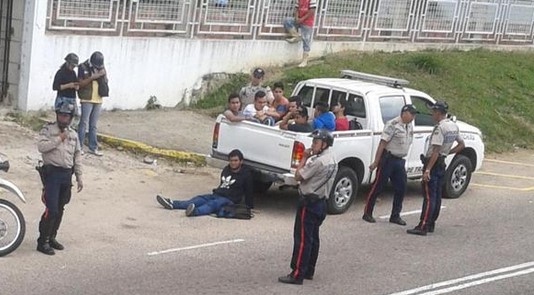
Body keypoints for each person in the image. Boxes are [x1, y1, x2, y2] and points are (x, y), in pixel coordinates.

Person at [278, 129, 337, 285]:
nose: (312, 145)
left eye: (316, 142)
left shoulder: (317, 161)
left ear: (324, 144)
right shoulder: (332, 160)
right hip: (321, 202)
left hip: (309, 203)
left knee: (303, 239)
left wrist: (304, 157)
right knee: (313, 238)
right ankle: (309, 270)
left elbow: (299, 176)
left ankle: (297, 274)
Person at [407, 101, 465, 236]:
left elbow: (436, 150)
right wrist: (448, 153)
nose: (432, 114)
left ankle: (423, 225)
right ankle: (431, 223)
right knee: (437, 195)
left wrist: (427, 170)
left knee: (429, 196)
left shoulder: (440, 128)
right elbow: (462, 144)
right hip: (441, 162)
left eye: (433, 111)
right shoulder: (453, 126)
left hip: (433, 163)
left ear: (439, 113)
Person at [36, 101, 83, 255]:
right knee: (52, 209)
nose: (63, 118)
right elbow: (41, 147)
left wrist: (79, 176)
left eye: (67, 116)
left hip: (66, 175)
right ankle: (42, 241)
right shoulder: (48, 129)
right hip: (52, 175)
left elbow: (77, 155)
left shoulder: (74, 134)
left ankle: (52, 237)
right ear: (57, 115)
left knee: (61, 208)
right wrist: (59, 139)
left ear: (71, 118)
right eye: (61, 115)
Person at [362, 104, 418, 225]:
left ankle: (395, 215)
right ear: (404, 112)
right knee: (378, 186)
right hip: (388, 159)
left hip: (399, 160)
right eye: (411, 114)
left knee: (401, 188)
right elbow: (382, 143)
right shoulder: (393, 124)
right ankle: (367, 212)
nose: (413, 116)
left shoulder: (409, 126)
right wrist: (376, 162)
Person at [156, 149, 254, 216]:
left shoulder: (246, 174)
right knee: (197, 200)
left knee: (212, 204)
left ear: (241, 161)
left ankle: (195, 212)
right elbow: (222, 184)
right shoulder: (226, 169)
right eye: (231, 160)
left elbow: (249, 190)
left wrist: (249, 207)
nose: (233, 163)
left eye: (236, 160)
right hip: (217, 194)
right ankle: (172, 203)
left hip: (229, 200)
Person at [77, 51, 108, 156]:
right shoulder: (83, 67)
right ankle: (79, 147)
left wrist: (103, 75)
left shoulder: (101, 67)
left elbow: (106, 81)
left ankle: (93, 147)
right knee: (83, 123)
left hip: (98, 98)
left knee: (93, 125)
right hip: (87, 98)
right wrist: (93, 77)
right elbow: (80, 83)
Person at [283, 0, 317, 67]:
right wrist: (296, 18)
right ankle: (296, 36)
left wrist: (302, 19)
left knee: (306, 40)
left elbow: (312, 11)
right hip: (299, 19)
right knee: (287, 21)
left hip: (307, 22)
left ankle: (305, 60)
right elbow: (296, 8)